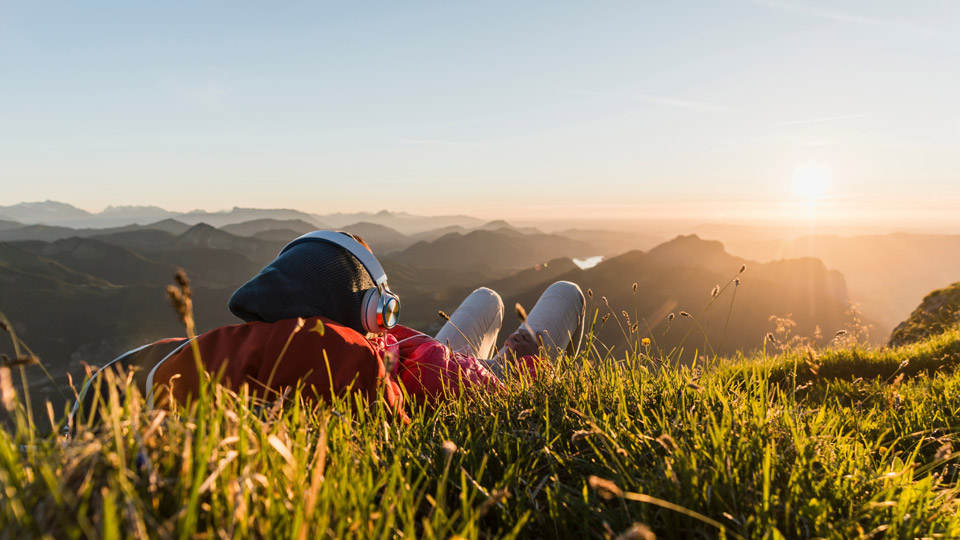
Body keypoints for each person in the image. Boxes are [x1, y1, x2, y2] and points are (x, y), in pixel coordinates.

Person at [71, 230, 585, 426]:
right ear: (363, 311)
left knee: (489, 299)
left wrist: (392, 341)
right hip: (470, 376)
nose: (387, 319)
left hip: (416, 359)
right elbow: (487, 395)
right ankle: (545, 354)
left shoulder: (268, 346)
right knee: (565, 295)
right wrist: (524, 365)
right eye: (381, 308)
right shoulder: (356, 362)